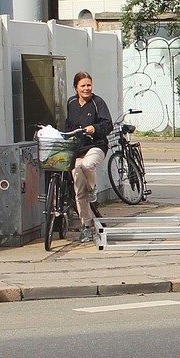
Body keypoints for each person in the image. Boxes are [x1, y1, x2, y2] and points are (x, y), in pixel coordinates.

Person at [60, 71, 112, 243]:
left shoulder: (98, 103)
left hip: (96, 146)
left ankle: (93, 189)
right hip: (78, 149)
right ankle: (86, 226)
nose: (86, 88)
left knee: (88, 165)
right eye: (83, 85)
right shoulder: (72, 103)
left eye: (89, 85)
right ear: (76, 87)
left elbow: (107, 125)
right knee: (78, 189)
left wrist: (95, 128)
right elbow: (68, 126)